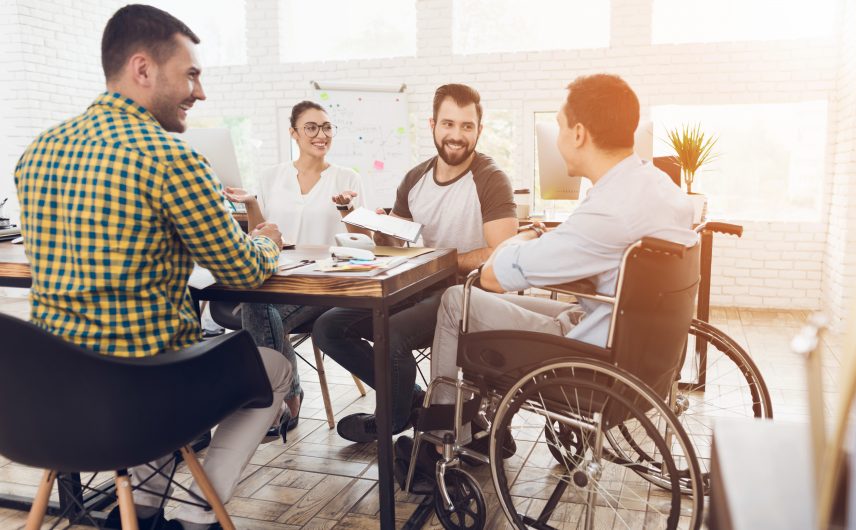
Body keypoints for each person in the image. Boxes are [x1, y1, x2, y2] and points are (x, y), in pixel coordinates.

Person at [13, 6, 290, 530]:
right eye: (191, 74)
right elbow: (242, 269)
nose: (200, 92)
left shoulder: (35, 153)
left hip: (51, 399)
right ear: (143, 69)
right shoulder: (170, 158)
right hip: (144, 397)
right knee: (273, 368)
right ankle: (194, 507)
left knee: (139, 359)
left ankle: (136, 511)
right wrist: (268, 240)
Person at [399, 74, 699, 476]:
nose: (557, 138)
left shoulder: (607, 211)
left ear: (578, 133)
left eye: (558, 126)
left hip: (593, 354)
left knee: (458, 300)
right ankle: (476, 422)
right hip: (632, 341)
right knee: (502, 302)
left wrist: (521, 239)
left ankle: (442, 444)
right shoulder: (658, 186)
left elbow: (494, 275)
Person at [312, 83, 517, 443]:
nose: (456, 135)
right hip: (422, 286)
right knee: (329, 327)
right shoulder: (414, 179)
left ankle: (388, 421)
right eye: (448, 124)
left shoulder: (490, 178)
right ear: (433, 124)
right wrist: (371, 227)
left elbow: (503, 252)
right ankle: (408, 401)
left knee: (391, 334)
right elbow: (395, 247)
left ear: (479, 131)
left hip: (470, 294)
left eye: (467, 126)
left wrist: (440, 261)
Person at [221, 100, 365, 437]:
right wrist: (253, 204)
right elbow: (262, 233)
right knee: (259, 305)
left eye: (327, 127)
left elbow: (363, 244)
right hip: (280, 280)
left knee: (255, 313)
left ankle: (279, 400)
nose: (321, 134)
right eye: (311, 128)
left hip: (326, 285)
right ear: (294, 133)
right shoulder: (272, 176)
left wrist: (347, 211)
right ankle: (289, 394)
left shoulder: (347, 177)